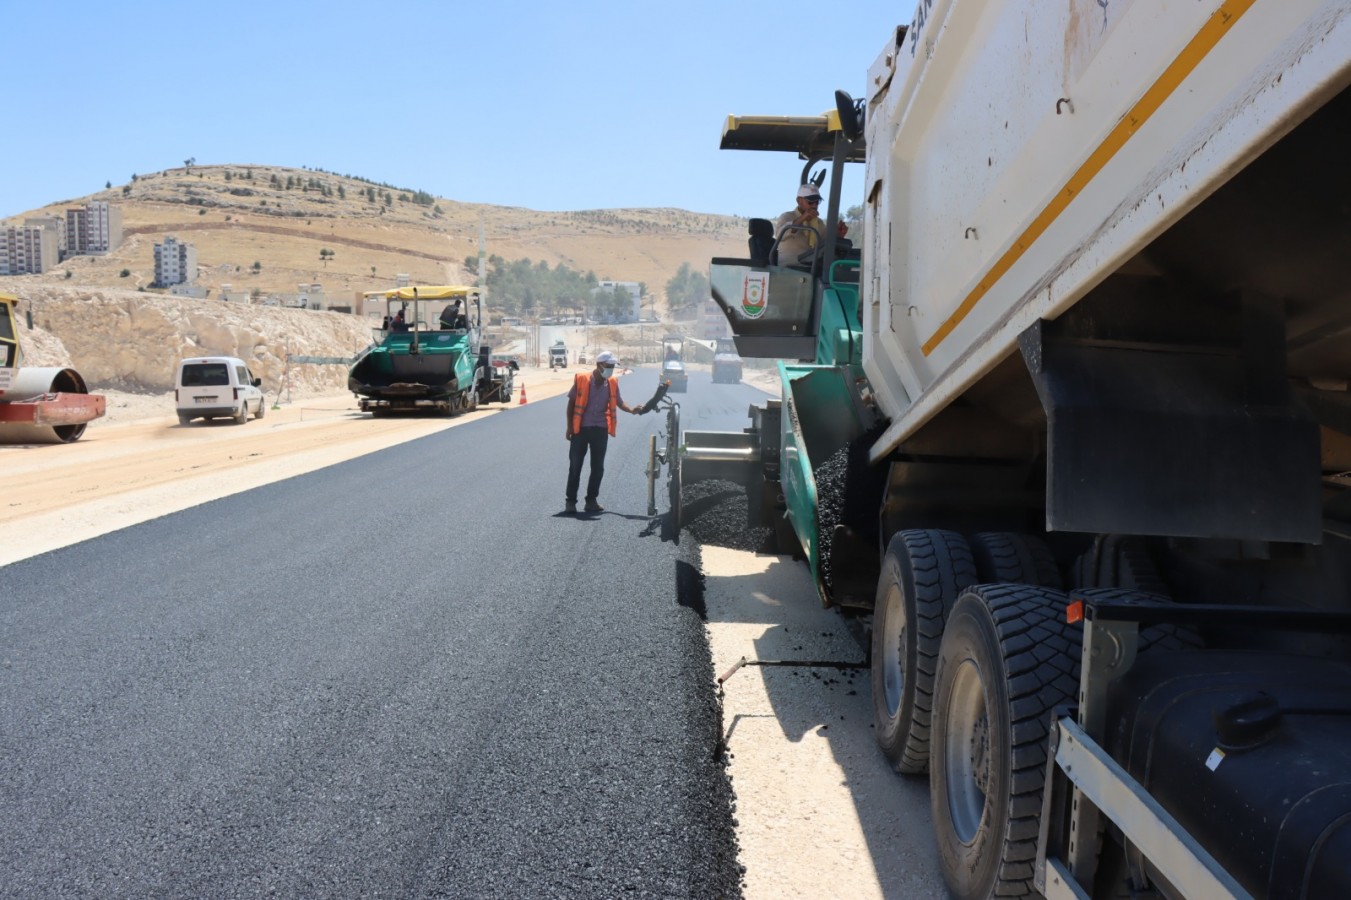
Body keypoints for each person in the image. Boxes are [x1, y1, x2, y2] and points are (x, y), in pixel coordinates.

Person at [564, 350, 641, 514]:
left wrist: (632, 409)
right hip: (581, 430)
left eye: (613, 366)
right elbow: (571, 404)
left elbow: (620, 402)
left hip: (600, 430)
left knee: (598, 468)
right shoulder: (582, 380)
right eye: (609, 366)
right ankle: (570, 501)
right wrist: (569, 427)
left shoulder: (612, 382)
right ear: (599, 365)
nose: (611, 369)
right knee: (575, 466)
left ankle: (591, 501)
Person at [774, 183, 829, 266]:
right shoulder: (787, 217)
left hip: (812, 269)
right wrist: (803, 218)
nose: (815, 205)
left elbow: (825, 246)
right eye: (810, 202)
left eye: (817, 202)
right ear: (799, 201)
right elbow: (779, 235)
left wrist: (838, 235)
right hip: (788, 269)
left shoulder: (819, 223)